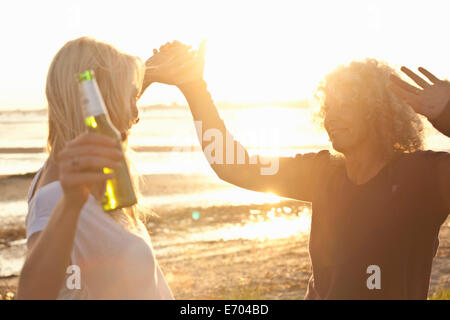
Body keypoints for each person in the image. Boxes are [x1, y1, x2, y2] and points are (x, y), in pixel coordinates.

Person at [148, 41, 450, 299]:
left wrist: (447, 113)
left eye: (347, 105)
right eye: (329, 106)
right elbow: (232, 165)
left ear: (378, 110)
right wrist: (193, 86)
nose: (332, 116)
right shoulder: (321, 173)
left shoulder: (422, 177)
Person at [17, 37, 174, 299]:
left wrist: (149, 72)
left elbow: (95, 107)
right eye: (131, 98)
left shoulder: (61, 170)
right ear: (101, 100)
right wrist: (70, 203)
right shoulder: (57, 196)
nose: (136, 115)